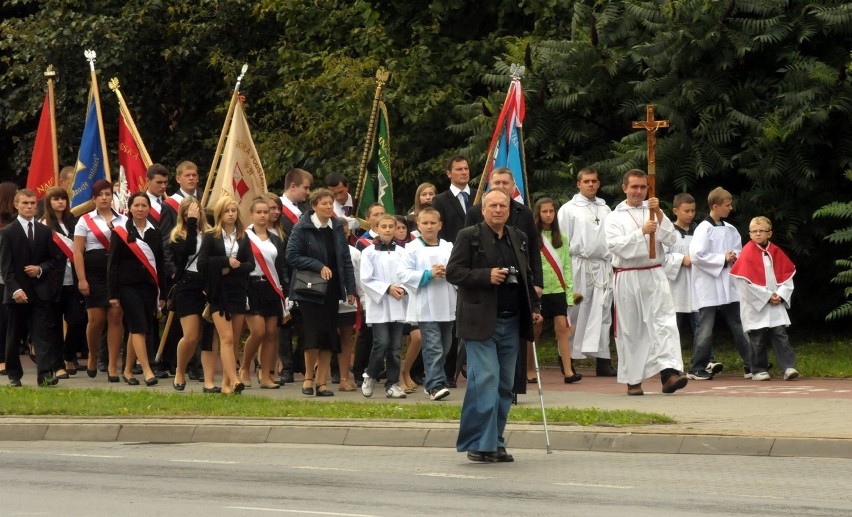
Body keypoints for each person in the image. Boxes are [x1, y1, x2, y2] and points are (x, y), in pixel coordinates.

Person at [447, 189, 541, 463]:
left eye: (503, 205)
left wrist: (534, 308)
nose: (498, 210)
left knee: (504, 386)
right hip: (480, 322)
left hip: (512, 320)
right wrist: (485, 275)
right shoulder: (469, 236)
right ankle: (480, 443)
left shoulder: (518, 237)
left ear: (509, 210)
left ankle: (496, 441)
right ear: (483, 209)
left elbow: (527, 275)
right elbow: (454, 272)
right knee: (485, 380)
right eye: (493, 206)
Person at [604, 169, 688, 396]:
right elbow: (616, 246)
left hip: (654, 274)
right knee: (633, 329)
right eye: (634, 187)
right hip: (628, 276)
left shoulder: (653, 211)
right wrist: (641, 232)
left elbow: (671, 239)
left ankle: (669, 374)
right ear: (624, 188)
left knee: (664, 323)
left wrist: (659, 216)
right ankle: (634, 380)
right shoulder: (614, 217)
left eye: (643, 187)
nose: (639, 191)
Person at [465, 167, 543, 393]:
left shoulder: (524, 213)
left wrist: (536, 282)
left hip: (517, 290)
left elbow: (533, 252)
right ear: (490, 184)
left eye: (505, 183)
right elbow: (463, 260)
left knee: (514, 346)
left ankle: (513, 390)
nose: (501, 187)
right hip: (484, 295)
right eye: (496, 183)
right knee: (487, 366)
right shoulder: (475, 213)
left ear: (512, 186)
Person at [286, 189, 356, 398]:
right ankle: (308, 378)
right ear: (314, 205)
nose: (328, 207)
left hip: (332, 289)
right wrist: (317, 265)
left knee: (328, 336)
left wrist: (350, 289)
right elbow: (291, 256)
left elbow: (345, 260)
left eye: (330, 203)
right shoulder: (303, 227)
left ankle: (322, 382)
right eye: (324, 203)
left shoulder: (336, 227)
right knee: (312, 333)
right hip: (310, 289)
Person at [556, 167, 616, 377]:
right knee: (575, 311)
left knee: (603, 311)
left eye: (594, 181)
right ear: (578, 184)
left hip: (602, 266)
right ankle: (567, 357)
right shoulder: (568, 209)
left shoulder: (606, 209)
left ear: (599, 184)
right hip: (578, 264)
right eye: (586, 181)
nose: (590, 185)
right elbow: (561, 242)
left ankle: (603, 359)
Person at [2, 189, 65, 387]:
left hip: (39, 292)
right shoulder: (8, 233)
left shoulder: (45, 231)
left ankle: (44, 374)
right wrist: (15, 290)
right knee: (14, 335)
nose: (29, 207)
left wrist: (40, 269)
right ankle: (14, 374)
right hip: (17, 293)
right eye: (25, 203)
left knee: (42, 334)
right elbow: (6, 267)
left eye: (32, 203)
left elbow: (53, 260)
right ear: (16, 205)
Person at [688, 187, 752, 380]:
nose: (730, 208)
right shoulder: (702, 229)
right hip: (709, 283)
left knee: (739, 323)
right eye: (727, 205)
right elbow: (697, 255)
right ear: (715, 206)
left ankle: (752, 364)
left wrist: (734, 257)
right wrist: (722, 258)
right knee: (705, 327)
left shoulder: (730, 229)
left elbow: (739, 251)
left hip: (728, 283)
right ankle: (697, 367)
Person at [730, 216, 799, 381]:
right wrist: (767, 296)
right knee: (757, 337)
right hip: (756, 305)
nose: (758, 234)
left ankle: (788, 367)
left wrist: (780, 295)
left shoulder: (776, 252)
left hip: (776, 302)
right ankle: (758, 369)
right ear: (750, 233)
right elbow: (744, 284)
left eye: (761, 231)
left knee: (780, 335)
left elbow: (787, 277)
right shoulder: (746, 253)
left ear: (770, 233)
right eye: (754, 231)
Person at [108, 192, 167, 387]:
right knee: (139, 325)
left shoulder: (155, 232)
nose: (140, 209)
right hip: (127, 287)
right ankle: (147, 370)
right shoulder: (120, 232)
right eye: (137, 205)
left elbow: (160, 263)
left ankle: (127, 370)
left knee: (137, 328)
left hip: (148, 287)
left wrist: (163, 293)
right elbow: (113, 264)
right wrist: (113, 294)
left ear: (149, 209)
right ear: (130, 208)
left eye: (144, 205)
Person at [198, 194, 255, 394]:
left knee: (235, 338)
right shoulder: (210, 236)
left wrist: (231, 269)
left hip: (238, 291)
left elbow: (250, 265)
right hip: (218, 293)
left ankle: (225, 386)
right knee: (227, 338)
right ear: (220, 214)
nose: (231, 214)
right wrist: (224, 261)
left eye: (233, 211)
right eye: (227, 211)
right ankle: (235, 379)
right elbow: (202, 264)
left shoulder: (243, 237)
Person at [399, 207, 456, 401]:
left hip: (447, 303)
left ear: (440, 225)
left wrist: (449, 272)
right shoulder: (412, 248)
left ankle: (432, 378)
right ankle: (434, 385)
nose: (429, 226)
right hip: (426, 304)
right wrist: (428, 274)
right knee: (433, 346)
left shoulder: (448, 247)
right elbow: (403, 275)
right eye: (425, 223)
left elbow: (459, 268)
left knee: (446, 345)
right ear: (418, 225)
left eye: (433, 223)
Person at [73, 179, 127, 381]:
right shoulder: (84, 220)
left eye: (108, 194)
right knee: (96, 320)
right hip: (93, 274)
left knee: (115, 317)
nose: (104, 198)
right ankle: (93, 355)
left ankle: (113, 365)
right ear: (94, 199)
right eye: (100, 195)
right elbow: (78, 252)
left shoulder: (123, 220)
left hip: (116, 275)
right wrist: (82, 279)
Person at [169, 196, 219, 392]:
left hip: (207, 285)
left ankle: (209, 381)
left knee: (208, 336)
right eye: (190, 211)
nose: (194, 214)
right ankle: (180, 370)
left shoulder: (210, 233)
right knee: (191, 335)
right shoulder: (177, 235)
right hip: (188, 285)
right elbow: (188, 251)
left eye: (196, 211)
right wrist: (191, 223)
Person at [40, 186, 87, 377]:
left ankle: (68, 354)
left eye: (63, 199)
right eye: (56, 199)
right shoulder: (43, 225)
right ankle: (57, 365)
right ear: (49, 203)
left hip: (73, 281)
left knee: (78, 319)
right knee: (53, 326)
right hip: (53, 281)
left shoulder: (74, 223)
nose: (60, 202)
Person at [532, 197, 580, 384]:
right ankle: (530, 369)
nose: (548, 215)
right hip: (540, 291)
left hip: (559, 290)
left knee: (563, 329)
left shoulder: (563, 238)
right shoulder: (532, 238)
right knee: (535, 329)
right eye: (544, 211)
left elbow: (567, 267)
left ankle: (568, 371)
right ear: (538, 213)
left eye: (551, 211)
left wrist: (569, 294)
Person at [241, 197, 287, 389]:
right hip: (251, 286)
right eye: (258, 212)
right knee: (258, 331)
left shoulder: (276, 239)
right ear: (251, 214)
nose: (262, 215)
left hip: (271, 287)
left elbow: (281, 266)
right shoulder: (243, 237)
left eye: (265, 212)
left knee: (271, 333)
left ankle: (266, 374)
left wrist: (285, 290)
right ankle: (244, 367)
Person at [360, 215, 409, 399]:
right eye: (384, 226)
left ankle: (392, 384)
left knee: (395, 348)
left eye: (391, 226)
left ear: (396, 229)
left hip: (397, 304)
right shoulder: (369, 252)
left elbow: (407, 275)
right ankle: (371, 374)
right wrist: (387, 288)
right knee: (381, 343)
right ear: (377, 229)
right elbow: (365, 278)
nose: (388, 230)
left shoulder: (402, 252)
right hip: (380, 304)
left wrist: (402, 289)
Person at [663, 193, 698, 338]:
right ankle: (669, 358)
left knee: (701, 325)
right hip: (676, 287)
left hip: (696, 285)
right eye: (687, 211)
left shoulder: (699, 231)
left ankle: (708, 359)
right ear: (676, 211)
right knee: (672, 326)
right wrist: (681, 259)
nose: (691, 214)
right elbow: (661, 258)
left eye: (693, 211)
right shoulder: (667, 233)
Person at [432, 155, 471, 243]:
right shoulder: (439, 201)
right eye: (459, 169)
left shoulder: (481, 196)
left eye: (466, 168)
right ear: (449, 173)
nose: (464, 172)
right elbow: (439, 232)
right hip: (454, 251)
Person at [0, 181, 18, 376]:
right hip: (1, 277)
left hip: (15, 276)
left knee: (13, 320)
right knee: (2, 320)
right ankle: (1, 359)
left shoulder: (17, 221)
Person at [279, 168, 313, 235]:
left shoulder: (307, 209)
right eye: (305, 188)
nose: (308, 192)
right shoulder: (276, 209)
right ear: (293, 187)